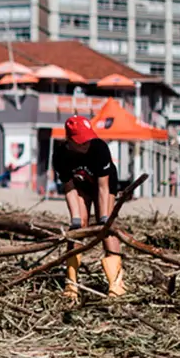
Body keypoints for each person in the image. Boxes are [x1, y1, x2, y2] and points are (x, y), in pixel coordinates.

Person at [52, 115, 125, 300]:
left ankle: (116, 284)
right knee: (78, 227)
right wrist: (76, 220)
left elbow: (102, 188)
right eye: (81, 142)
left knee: (107, 228)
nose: (86, 144)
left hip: (104, 185)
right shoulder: (60, 155)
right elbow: (68, 189)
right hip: (80, 187)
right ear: (70, 140)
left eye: (87, 140)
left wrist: (103, 220)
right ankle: (71, 284)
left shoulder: (99, 148)